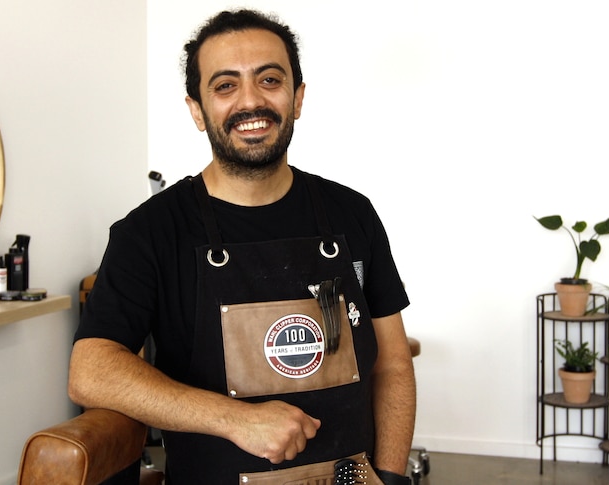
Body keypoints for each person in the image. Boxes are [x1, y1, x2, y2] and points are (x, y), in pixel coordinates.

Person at [68, 9, 416, 485]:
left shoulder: (352, 213)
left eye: (269, 79)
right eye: (225, 86)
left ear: (297, 98)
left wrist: (392, 477)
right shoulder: (148, 231)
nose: (251, 102)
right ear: (197, 110)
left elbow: (394, 364)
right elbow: (90, 370)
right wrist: (235, 418)